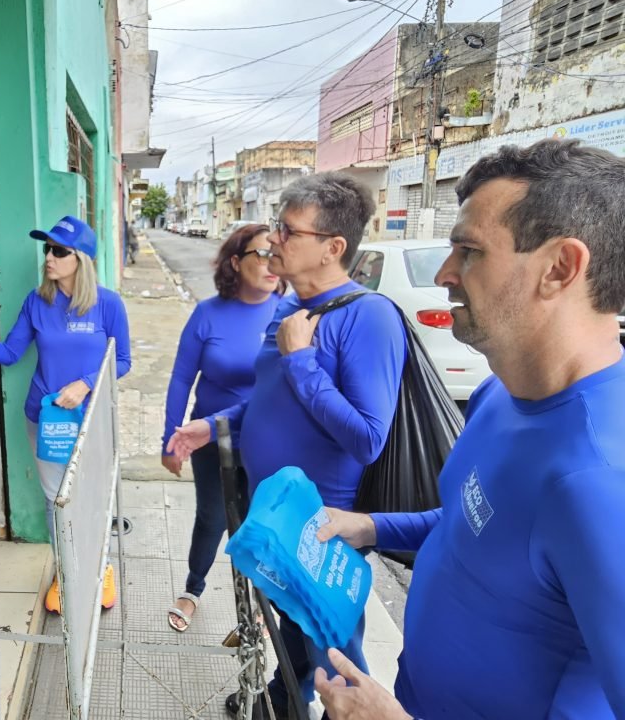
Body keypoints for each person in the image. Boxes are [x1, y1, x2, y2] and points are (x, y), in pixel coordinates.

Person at [313, 139, 625, 720]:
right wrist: (368, 526)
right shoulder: (500, 392)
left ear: (560, 268)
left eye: (469, 250)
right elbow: (475, 524)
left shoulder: (601, 482)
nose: (444, 273)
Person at [168, 173, 406, 719]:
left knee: (339, 671)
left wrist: (301, 360)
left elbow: (368, 437)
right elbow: (273, 402)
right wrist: (214, 422)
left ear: (333, 247)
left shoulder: (368, 317)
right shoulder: (290, 309)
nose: (273, 239)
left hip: (320, 529)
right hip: (274, 514)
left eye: (288, 230)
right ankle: (279, 702)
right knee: (295, 640)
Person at [0, 215, 131, 614]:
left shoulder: (108, 304)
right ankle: (66, 572)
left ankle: (101, 567)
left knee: (92, 495)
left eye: (59, 251)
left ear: (82, 260)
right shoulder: (36, 302)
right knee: (55, 499)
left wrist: (87, 383)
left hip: (92, 421)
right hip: (45, 420)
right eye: (47, 249)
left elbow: (123, 361)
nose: (49, 258)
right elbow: (9, 354)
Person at [161, 224, 282, 632]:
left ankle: (260, 599)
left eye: (276, 253)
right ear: (236, 261)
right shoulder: (207, 313)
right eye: (260, 254)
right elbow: (181, 379)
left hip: (267, 440)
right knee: (212, 517)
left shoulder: (288, 313)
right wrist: (170, 439)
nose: (271, 263)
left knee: (259, 519)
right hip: (210, 439)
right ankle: (193, 589)